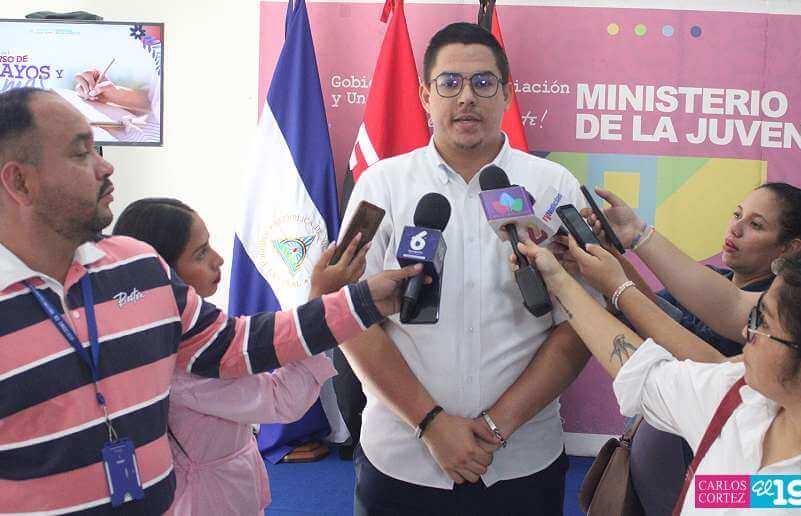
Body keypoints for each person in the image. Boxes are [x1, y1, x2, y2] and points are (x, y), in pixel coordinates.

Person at [0, 87, 422, 515]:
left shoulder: (137, 265)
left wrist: (363, 301)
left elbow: (235, 343)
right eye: (80, 153)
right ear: (19, 181)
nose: (105, 166)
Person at [340, 22, 599, 515]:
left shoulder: (552, 186)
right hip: (402, 457)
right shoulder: (381, 185)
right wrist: (431, 424)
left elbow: (580, 326)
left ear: (506, 94)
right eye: (449, 83)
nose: (466, 98)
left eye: (483, 83)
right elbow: (352, 318)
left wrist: (497, 426)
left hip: (521, 457)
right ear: (425, 95)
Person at [516, 232, 801, 515]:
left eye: (763, 324)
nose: (746, 332)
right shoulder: (740, 400)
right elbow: (646, 373)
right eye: (754, 314)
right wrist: (559, 282)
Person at [112, 198, 369, 515]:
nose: (218, 259)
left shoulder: (151, 338)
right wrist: (319, 306)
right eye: (201, 253)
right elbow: (282, 399)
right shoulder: (188, 364)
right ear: (162, 273)